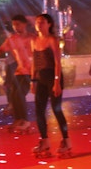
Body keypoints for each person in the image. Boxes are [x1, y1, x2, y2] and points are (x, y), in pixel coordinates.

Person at [31, 13, 72, 157]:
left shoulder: (52, 40)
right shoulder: (34, 40)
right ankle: (45, 140)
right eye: (37, 22)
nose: (39, 24)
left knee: (57, 110)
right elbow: (34, 62)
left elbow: (57, 62)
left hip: (52, 78)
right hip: (40, 79)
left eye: (42, 22)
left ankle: (66, 141)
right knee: (39, 110)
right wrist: (33, 80)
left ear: (49, 24)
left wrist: (56, 82)